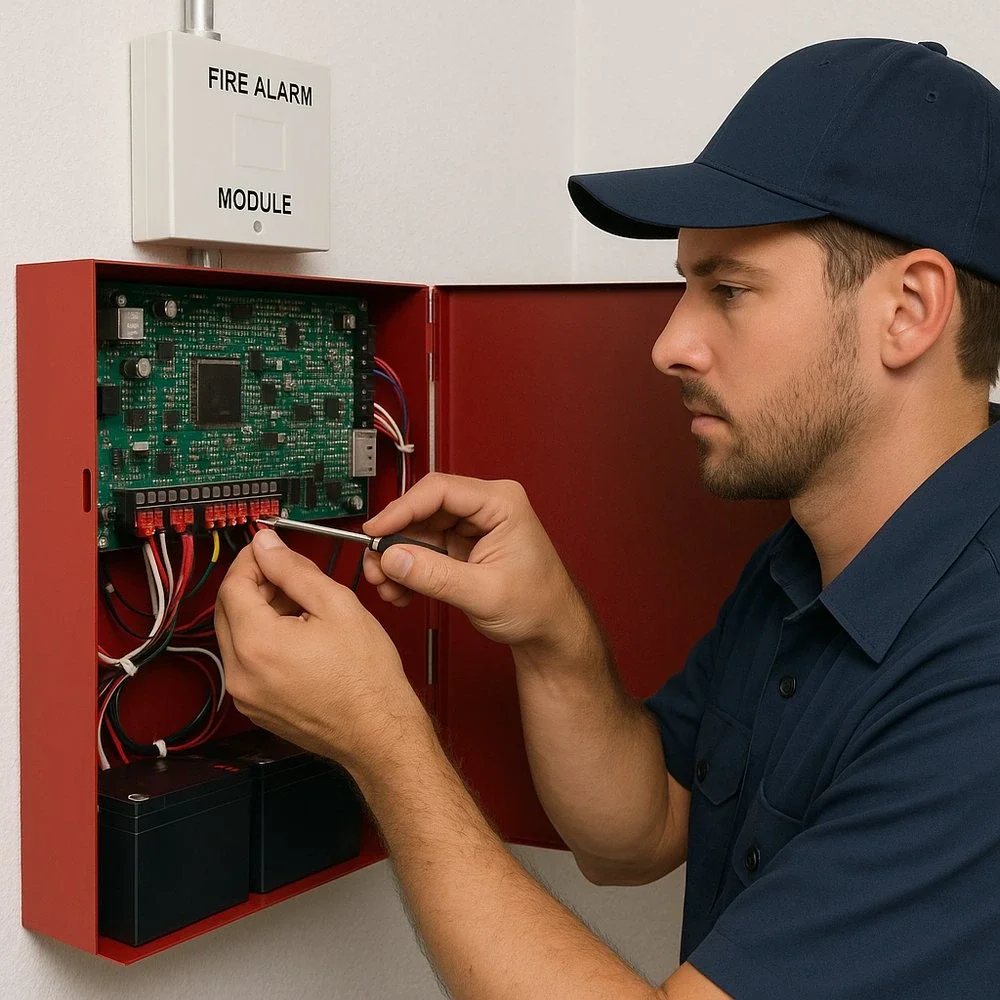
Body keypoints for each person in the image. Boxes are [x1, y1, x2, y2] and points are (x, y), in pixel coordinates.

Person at [215, 37, 1000, 999]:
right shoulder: (807, 559)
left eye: (730, 289)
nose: (670, 340)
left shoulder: (981, 675)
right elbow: (640, 832)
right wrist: (552, 634)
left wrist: (387, 744)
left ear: (911, 309)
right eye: (684, 284)